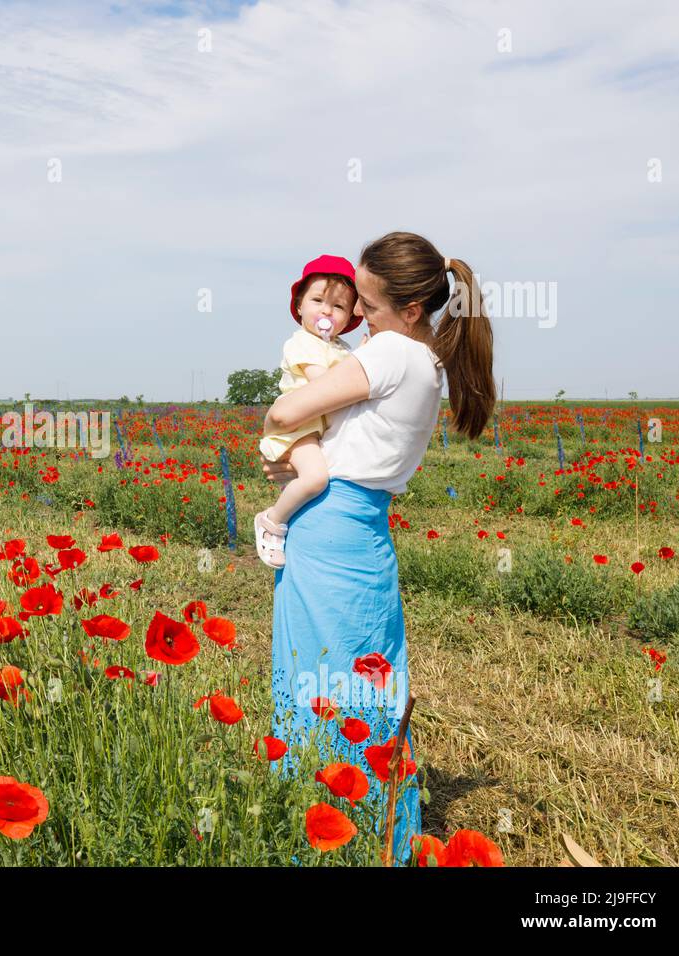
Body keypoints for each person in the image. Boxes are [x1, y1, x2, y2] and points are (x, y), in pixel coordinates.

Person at [261, 231, 496, 864]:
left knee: (318, 674)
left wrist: (287, 434)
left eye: (364, 301)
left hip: (329, 528)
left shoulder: (390, 352)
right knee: (369, 676)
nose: (355, 315)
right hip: (363, 527)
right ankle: (379, 830)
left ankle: (321, 832)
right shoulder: (429, 364)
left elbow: (285, 414)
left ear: (410, 310)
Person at [254, 255, 364, 569]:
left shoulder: (341, 349)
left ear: (348, 319)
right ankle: (272, 521)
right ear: (300, 305)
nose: (327, 311)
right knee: (315, 479)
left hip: (317, 428)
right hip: (298, 426)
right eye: (318, 300)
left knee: (312, 480)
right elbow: (325, 385)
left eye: (339, 306)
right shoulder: (301, 343)